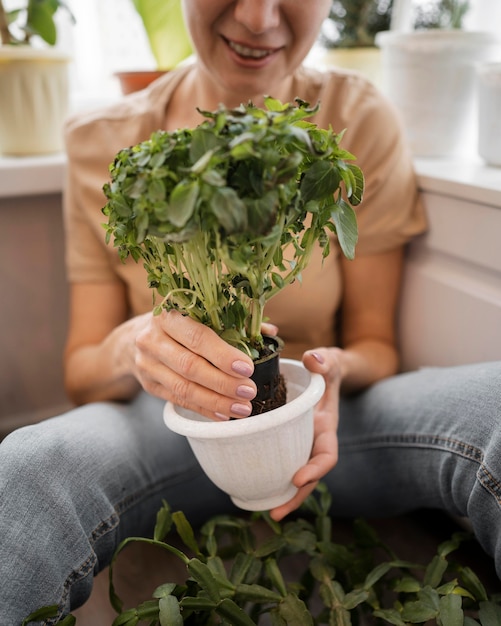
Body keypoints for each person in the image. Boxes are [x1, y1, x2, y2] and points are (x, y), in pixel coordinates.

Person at [1, 0, 500, 623]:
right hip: (172, 430)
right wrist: (137, 346)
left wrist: (333, 369)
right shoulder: (101, 139)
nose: (259, 18)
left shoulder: (356, 118)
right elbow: (81, 372)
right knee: (24, 468)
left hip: (324, 423)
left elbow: (377, 342)